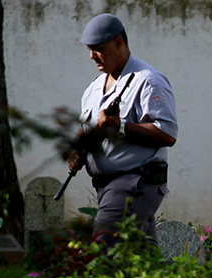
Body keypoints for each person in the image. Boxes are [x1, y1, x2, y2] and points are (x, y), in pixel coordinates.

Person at [69, 13, 177, 247]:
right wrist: (76, 150)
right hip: (107, 187)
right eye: (89, 49)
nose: (91, 56)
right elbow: (86, 127)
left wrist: (121, 127)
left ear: (118, 42)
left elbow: (167, 134)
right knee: (141, 263)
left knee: (104, 249)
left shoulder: (148, 81)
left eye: (98, 48)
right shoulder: (94, 88)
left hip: (134, 181)